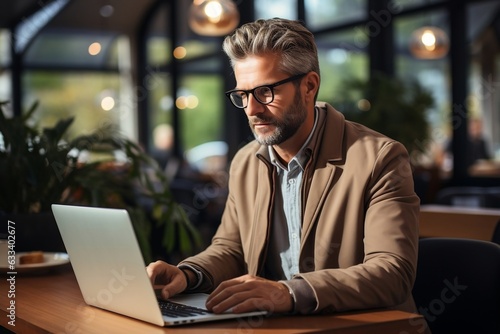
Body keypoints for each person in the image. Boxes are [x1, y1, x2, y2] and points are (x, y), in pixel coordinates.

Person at [147, 18, 420, 317]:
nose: (251, 109)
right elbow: (231, 249)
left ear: (309, 86)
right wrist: (188, 275)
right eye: (243, 94)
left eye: (265, 91)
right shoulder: (246, 162)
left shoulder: (381, 158)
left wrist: (289, 292)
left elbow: (393, 273)